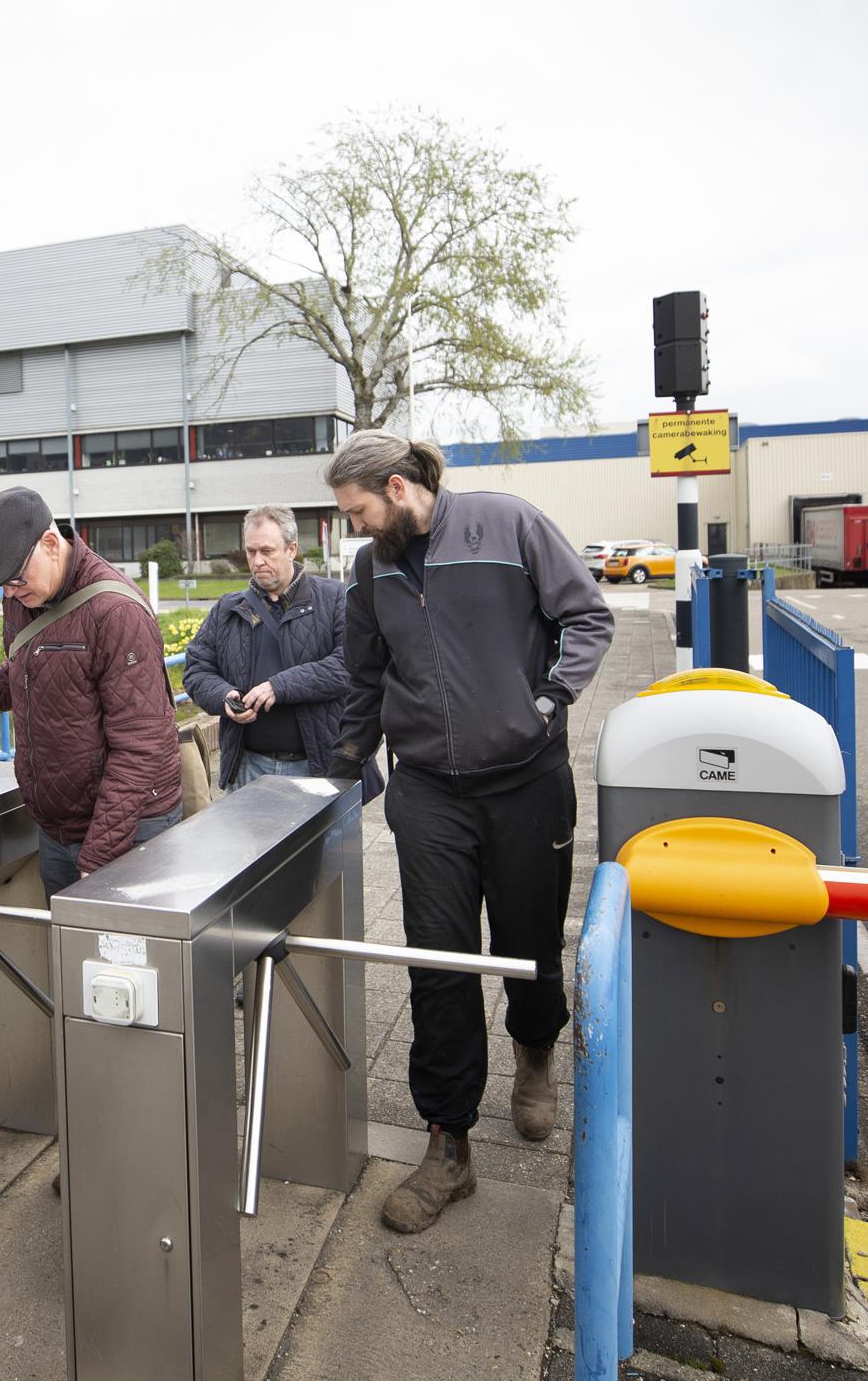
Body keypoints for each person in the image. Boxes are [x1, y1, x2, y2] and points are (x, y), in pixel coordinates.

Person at [320, 431, 614, 1234]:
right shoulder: (371, 570)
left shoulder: (508, 525)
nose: (354, 528)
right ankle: (448, 1144)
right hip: (429, 795)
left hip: (526, 783)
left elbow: (587, 615)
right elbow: (367, 674)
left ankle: (534, 1052)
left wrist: (550, 701)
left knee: (529, 944)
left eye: (358, 512)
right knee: (438, 962)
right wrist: (349, 756)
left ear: (397, 487)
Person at [0, 487, 182, 894]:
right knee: (67, 955)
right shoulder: (24, 595)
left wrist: (99, 855)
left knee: (120, 955)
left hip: (130, 830)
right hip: (57, 829)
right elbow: (22, 672)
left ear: (51, 544)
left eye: (16, 579)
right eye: (3, 585)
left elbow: (142, 745)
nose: (10, 593)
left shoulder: (117, 613)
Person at [181, 503, 374, 796]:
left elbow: (348, 666)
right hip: (247, 767)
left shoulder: (335, 598)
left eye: (267, 551)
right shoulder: (227, 609)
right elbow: (197, 670)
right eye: (251, 551)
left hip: (316, 766)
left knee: (318, 845)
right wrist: (223, 696)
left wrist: (279, 686)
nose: (257, 561)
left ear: (291, 549)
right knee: (249, 844)